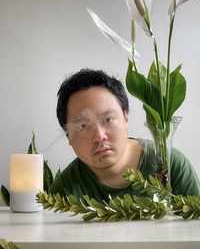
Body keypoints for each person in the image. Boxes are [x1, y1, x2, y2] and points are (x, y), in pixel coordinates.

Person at [49, 68, 200, 201]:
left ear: (125, 117)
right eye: (83, 126)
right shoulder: (63, 192)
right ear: (68, 135)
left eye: (107, 119)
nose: (100, 136)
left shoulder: (170, 164)